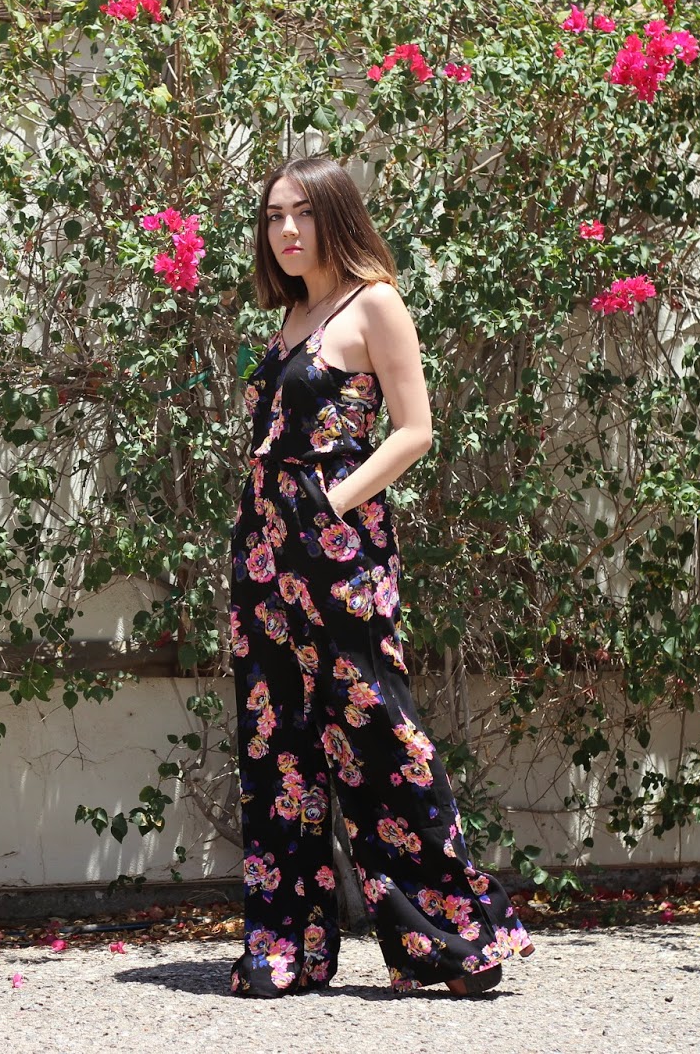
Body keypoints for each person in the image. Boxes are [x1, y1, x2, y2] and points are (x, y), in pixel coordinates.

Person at [228, 155, 535, 998]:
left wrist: (332, 503)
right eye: (273, 216)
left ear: (336, 216)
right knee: (277, 747)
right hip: (263, 557)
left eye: (302, 213)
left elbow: (415, 429)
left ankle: (450, 939)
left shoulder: (374, 304)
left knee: (377, 739)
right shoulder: (292, 314)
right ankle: (288, 950)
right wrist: (270, 528)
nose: (286, 230)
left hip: (339, 554)